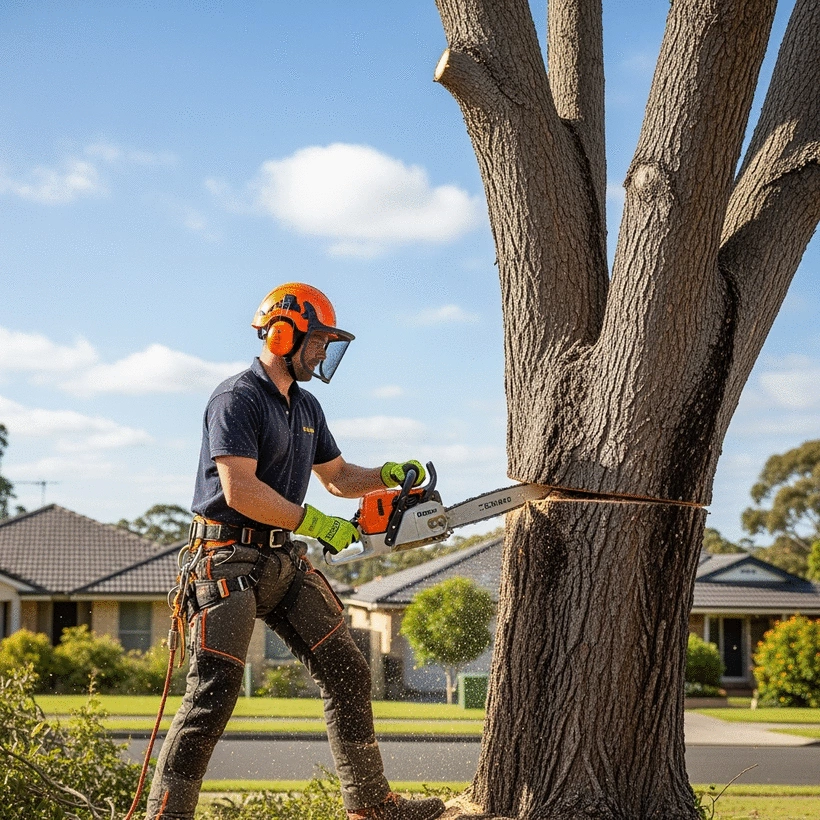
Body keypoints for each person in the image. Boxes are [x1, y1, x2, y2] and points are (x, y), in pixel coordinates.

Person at [145, 283, 445, 820]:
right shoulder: (236, 398)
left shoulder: (307, 406)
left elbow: (337, 478)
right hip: (227, 560)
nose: (325, 353)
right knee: (213, 694)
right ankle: (166, 815)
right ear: (285, 334)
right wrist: (313, 522)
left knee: (347, 671)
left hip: (280, 562)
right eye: (320, 342)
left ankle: (370, 804)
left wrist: (386, 476)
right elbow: (240, 489)